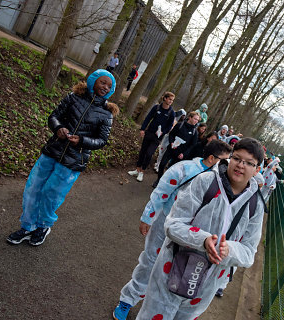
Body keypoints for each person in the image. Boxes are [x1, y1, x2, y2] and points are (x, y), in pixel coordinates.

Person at [135, 137, 265, 320]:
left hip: (207, 282)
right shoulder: (205, 182)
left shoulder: (255, 205)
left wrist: (229, 250)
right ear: (230, 159)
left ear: (257, 170)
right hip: (171, 266)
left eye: (249, 163)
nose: (240, 165)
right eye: (237, 158)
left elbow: (249, 252)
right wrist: (203, 240)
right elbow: (173, 224)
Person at [113, 140, 232, 320]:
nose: (227, 165)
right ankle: (127, 300)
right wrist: (148, 216)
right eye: (224, 160)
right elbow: (161, 192)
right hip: (166, 225)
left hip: (193, 237)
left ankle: (154, 308)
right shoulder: (184, 169)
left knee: (176, 273)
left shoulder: (223, 182)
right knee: (150, 262)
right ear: (211, 158)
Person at [6, 69, 118, 246]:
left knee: (51, 194)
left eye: (109, 86)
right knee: (33, 188)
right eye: (103, 82)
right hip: (52, 151)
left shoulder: (107, 114)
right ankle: (27, 226)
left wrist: (82, 140)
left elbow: (102, 140)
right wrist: (58, 128)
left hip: (73, 161)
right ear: (93, 81)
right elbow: (54, 116)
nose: (105, 87)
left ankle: (42, 226)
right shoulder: (73, 97)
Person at [128, 92, 175, 182]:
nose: (170, 101)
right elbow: (148, 118)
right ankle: (137, 170)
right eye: (169, 99)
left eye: (172, 100)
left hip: (158, 137)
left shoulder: (171, 113)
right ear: (165, 98)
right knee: (143, 151)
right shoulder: (156, 107)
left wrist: (163, 132)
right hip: (149, 132)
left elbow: (170, 126)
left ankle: (142, 171)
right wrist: (142, 129)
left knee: (149, 153)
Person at [153, 111, 200, 186]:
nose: (196, 121)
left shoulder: (195, 132)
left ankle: (164, 182)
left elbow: (192, 145)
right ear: (190, 117)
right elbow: (171, 134)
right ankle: (159, 179)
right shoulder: (180, 125)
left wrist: (183, 154)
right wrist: (171, 142)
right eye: (195, 119)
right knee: (162, 165)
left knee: (172, 170)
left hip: (180, 154)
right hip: (171, 149)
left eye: (197, 120)